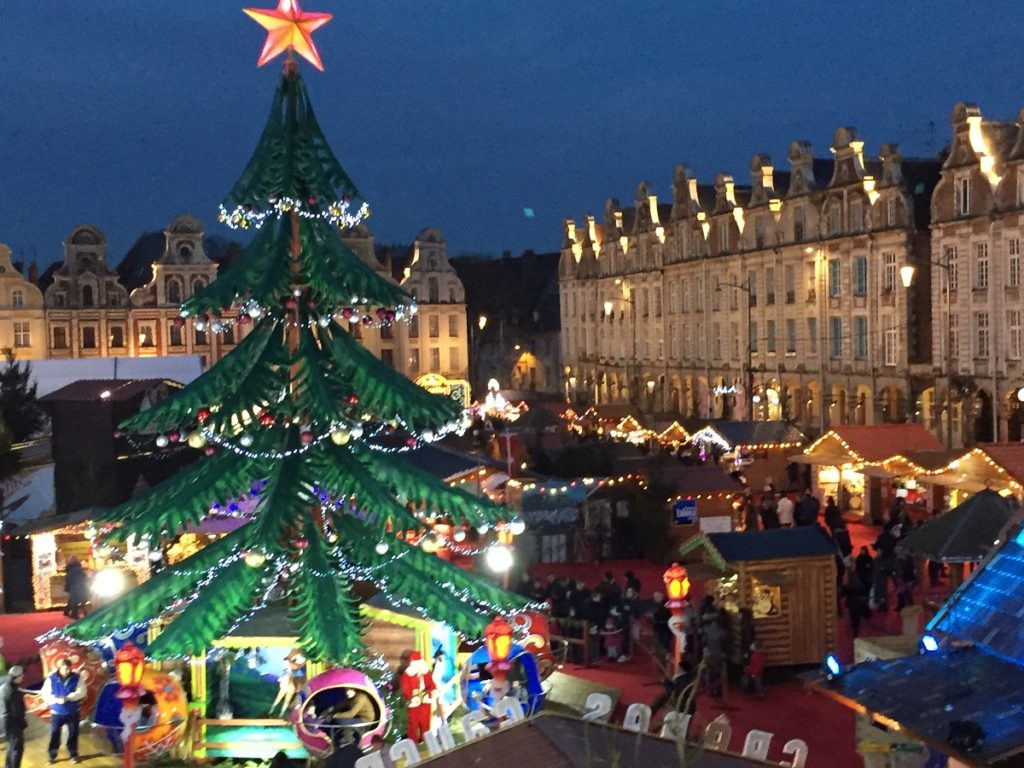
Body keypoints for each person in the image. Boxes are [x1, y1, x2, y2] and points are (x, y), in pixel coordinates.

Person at [42, 657, 86, 764]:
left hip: (73, 712)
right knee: (55, 734)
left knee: (73, 733)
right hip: (57, 712)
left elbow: (82, 691)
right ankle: (52, 755)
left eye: (68, 669)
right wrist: (56, 700)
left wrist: (69, 697)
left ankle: (73, 754)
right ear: (59, 668)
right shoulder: (51, 679)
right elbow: (45, 694)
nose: (66, 671)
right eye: (64, 669)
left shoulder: (77, 678)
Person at [399, 652, 435, 743]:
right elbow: (405, 690)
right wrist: (411, 699)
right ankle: (412, 743)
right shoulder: (406, 676)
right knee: (412, 725)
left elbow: (432, 685)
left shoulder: (426, 673)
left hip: (425, 703)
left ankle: (426, 741)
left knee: (425, 723)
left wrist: (429, 694)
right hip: (414, 705)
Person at [1, 665, 27, 768]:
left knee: (10, 747)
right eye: (22, 675)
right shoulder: (13, 692)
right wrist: (23, 726)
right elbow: (17, 713)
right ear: (18, 676)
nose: (23, 676)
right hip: (13, 724)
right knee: (17, 749)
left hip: (5, 722)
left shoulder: (4, 686)